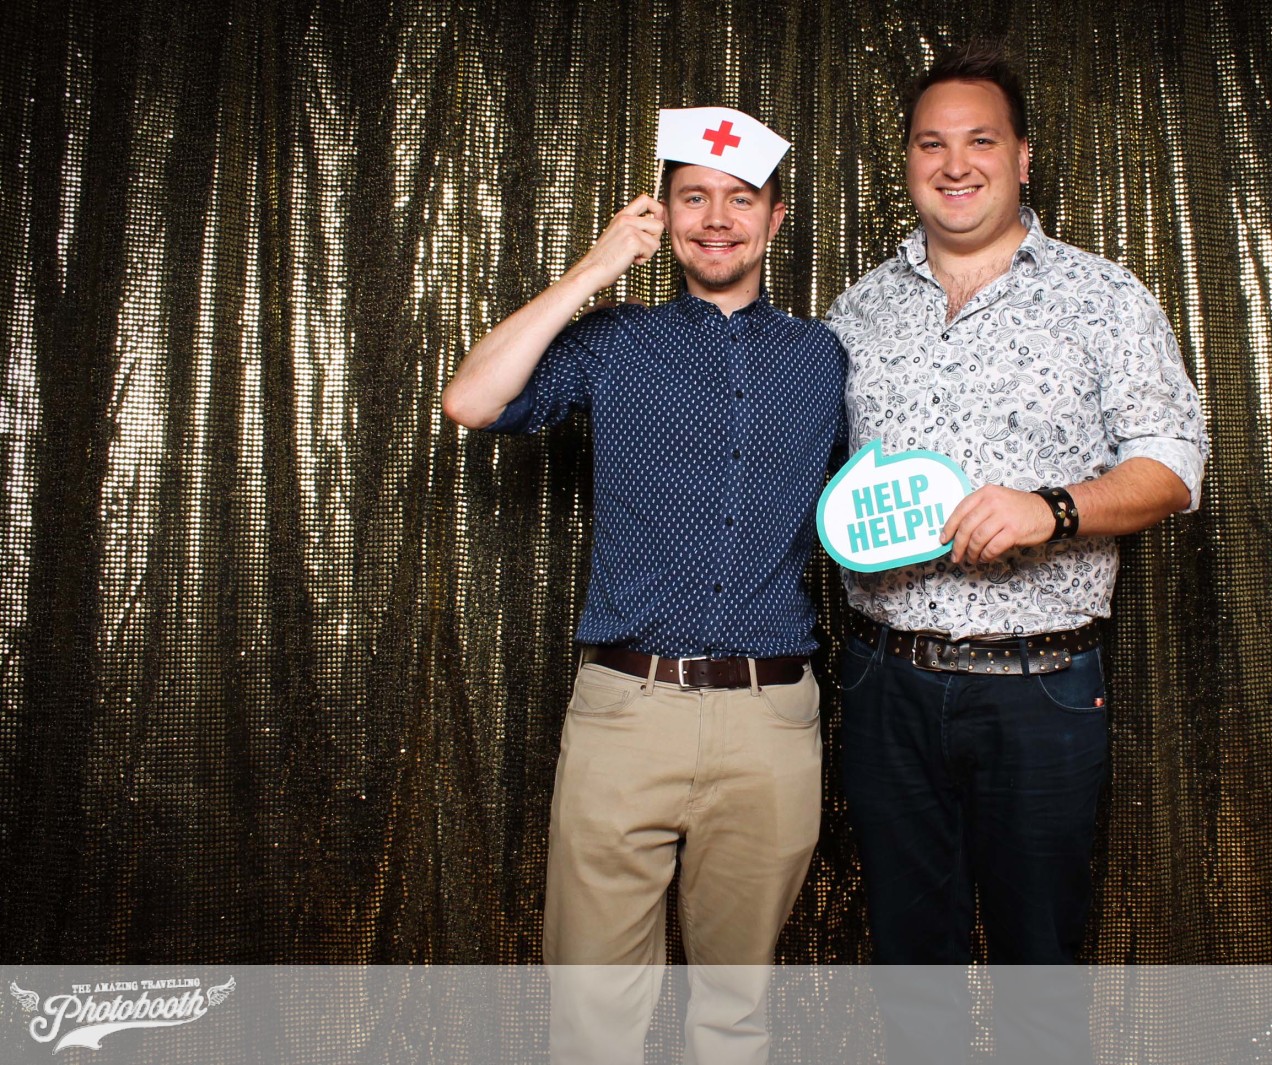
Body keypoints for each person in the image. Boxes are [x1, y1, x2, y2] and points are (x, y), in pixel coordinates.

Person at [826, 41, 1210, 1063]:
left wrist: (1055, 509)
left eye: (980, 141)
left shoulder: (1103, 296)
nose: (955, 164)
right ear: (908, 161)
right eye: (932, 144)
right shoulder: (858, 309)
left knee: (1039, 965)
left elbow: (1174, 466)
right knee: (909, 967)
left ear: (1023, 156)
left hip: (1040, 688)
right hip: (885, 682)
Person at [441, 113, 844, 1065]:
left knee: (736, 1012)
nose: (717, 219)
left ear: (777, 218)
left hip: (771, 719)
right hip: (628, 710)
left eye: (740, 199)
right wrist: (593, 271)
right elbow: (471, 400)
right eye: (693, 197)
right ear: (660, 214)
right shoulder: (613, 341)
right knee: (594, 1016)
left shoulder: (824, 358)